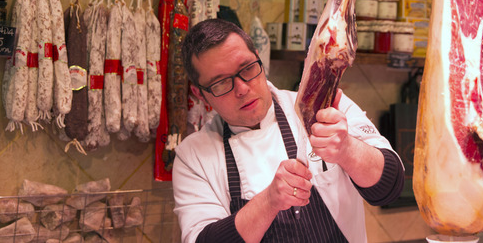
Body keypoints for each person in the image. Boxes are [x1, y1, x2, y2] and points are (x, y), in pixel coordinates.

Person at [172, 19, 405, 243]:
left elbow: (390, 187)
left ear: (259, 60)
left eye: (247, 68)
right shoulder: (192, 157)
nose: (242, 88)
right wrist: (269, 201)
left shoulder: (321, 105)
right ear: (200, 94)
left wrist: (347, 149)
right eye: (220, 83)